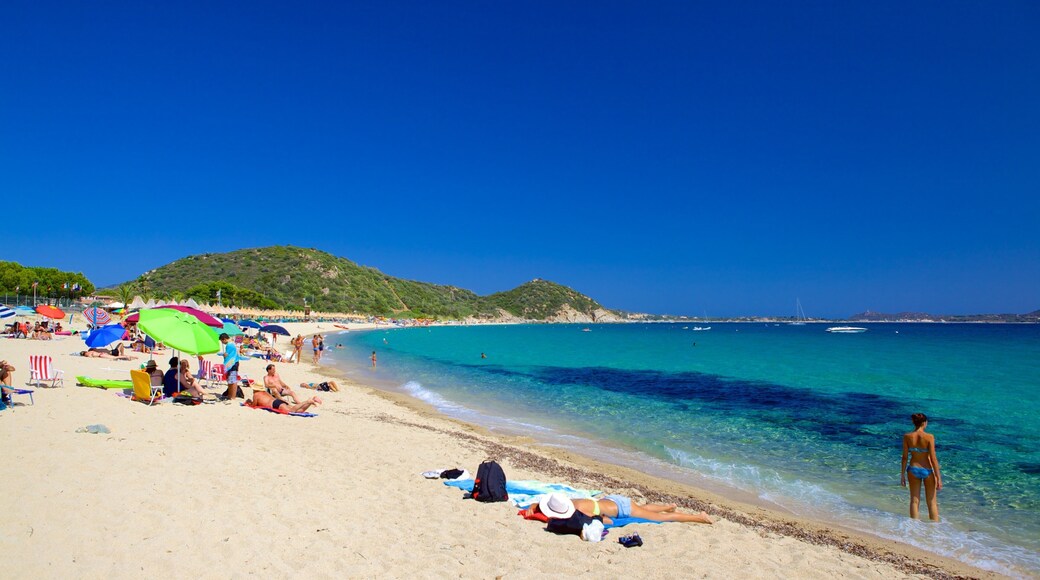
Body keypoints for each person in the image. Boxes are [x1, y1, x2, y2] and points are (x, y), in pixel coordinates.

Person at [528, 492, 713, 525]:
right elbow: (538, 504)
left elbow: (607, 520)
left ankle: (699, 517)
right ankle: (668, 506)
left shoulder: (581, 512)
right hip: (611, 499)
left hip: (622, 509)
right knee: (642, 508)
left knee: (661, 519)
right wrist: (533, 508)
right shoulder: (570, 501)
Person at [901, 412, 943, 521]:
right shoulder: (929, 437)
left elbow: (904, 457)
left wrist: (902, 475)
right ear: (924, 423)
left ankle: (914, 528)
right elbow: (933, 459)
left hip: (912, 469)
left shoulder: (907, 437)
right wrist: (939, 477)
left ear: (914, 423)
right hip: (927, 470)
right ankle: (934, 531)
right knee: (932, 503)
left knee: (914, 501)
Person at [251, 388, 322, 413]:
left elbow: (254, 406)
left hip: (275, 404)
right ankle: (311, 401)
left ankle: (307, 401)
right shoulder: (265, 392)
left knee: (291, 410)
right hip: (278, 401)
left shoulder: (256, 395)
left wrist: (248, 402)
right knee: (299, 411)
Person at [219, 333, 244, 400]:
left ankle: (232, 396)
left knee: (233, 380)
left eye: (222, 341)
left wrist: (224, 355)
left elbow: (227, 354)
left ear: (224, 339)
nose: (222, 343)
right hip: (234, 362)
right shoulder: (232, 343)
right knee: (230, 380)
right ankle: (230, 395)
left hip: (232, 363)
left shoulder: (229, 345)